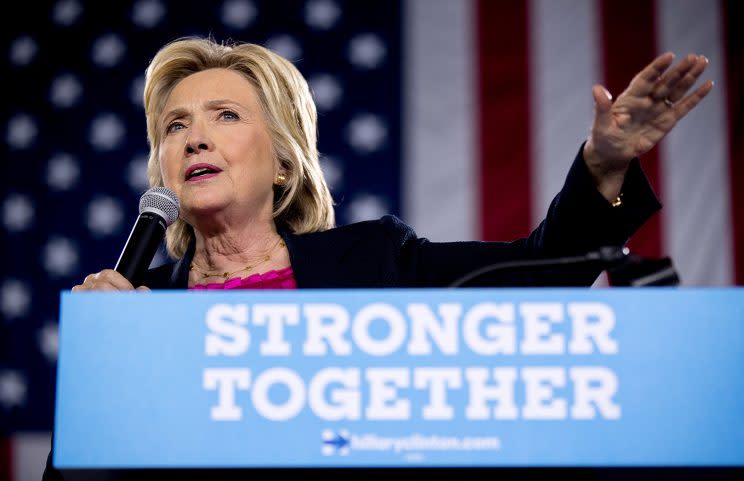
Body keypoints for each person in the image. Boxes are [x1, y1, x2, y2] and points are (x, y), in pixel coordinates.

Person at [44, 36, 712, 479]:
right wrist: (104, 376)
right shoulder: (136, 314)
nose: (193, 139)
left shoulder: (371, 262)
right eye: (174, 125)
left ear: (282, 160)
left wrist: (604, 164)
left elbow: (543, 271)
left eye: (224, 115)